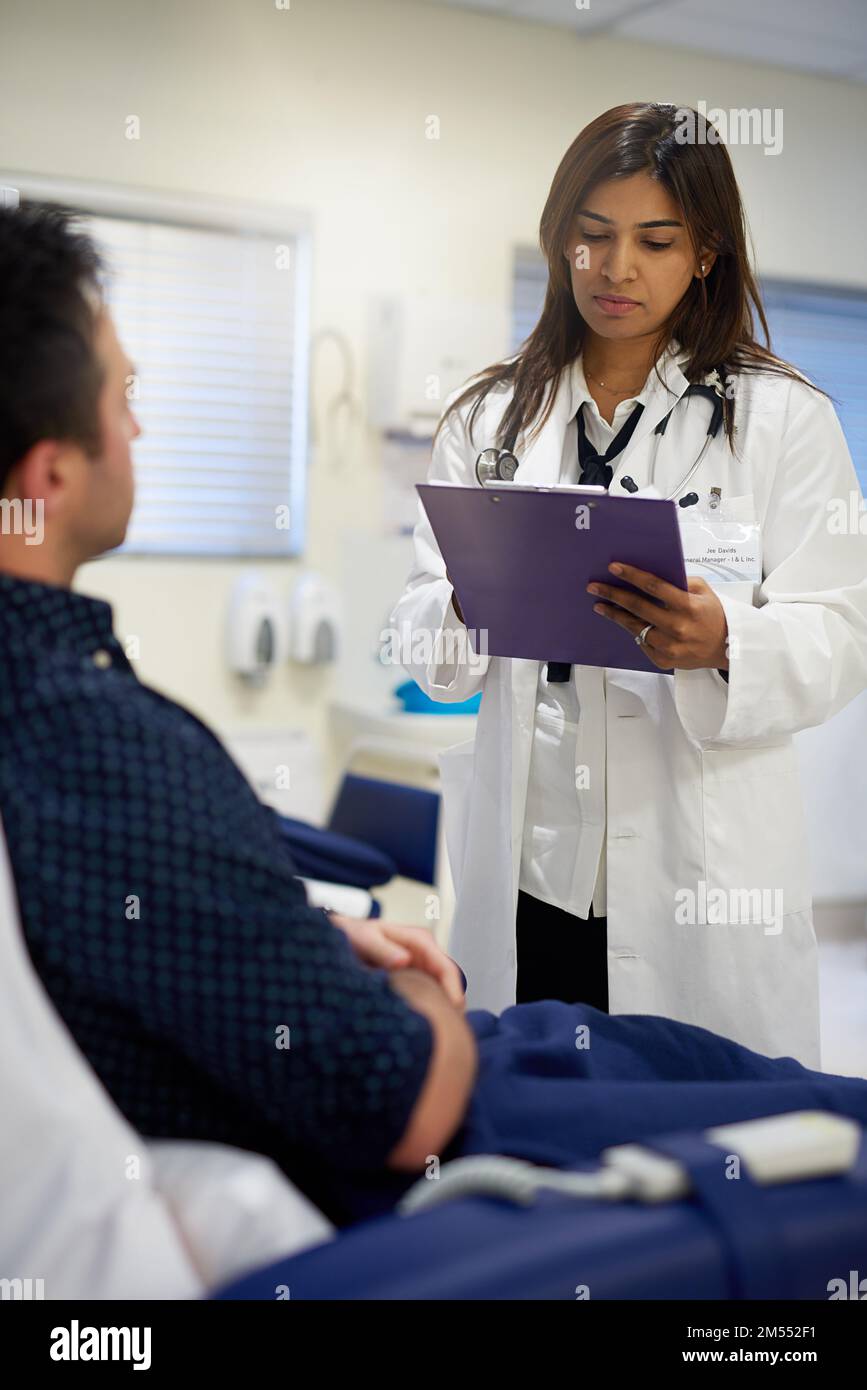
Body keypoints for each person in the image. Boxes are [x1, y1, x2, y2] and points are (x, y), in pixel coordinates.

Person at [0, 202, 477, 1222]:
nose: (138, 424)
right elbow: (398, 1102)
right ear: (49, 472)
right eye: (122, 396)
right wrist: (432, 990)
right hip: (417, 1163)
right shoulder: (92, 738)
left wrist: (282, 928)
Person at [392, 101, 867, 1069]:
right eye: (593, 237)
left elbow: (844, 627)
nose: (617, 270)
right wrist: (465, 607)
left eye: (655, 241)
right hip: (531, 870)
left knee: (694, 1129)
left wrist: (727, 639)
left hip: (697, 873)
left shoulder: (782, 420)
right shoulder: (488, 419)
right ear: (559, 241)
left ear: (707, 252)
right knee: (534, 1113)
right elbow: (420, 635)